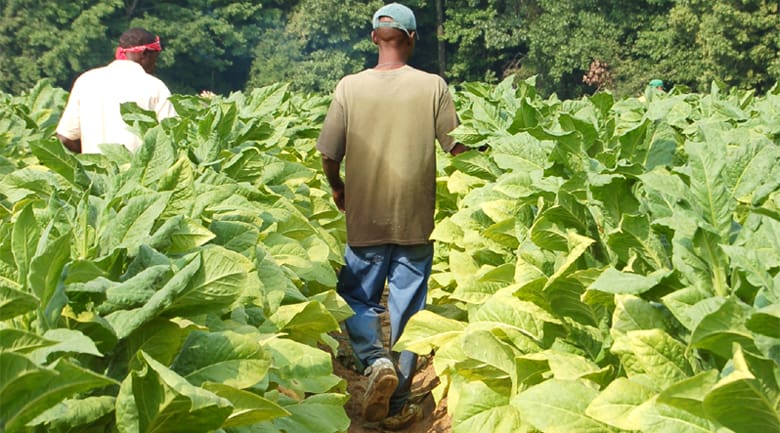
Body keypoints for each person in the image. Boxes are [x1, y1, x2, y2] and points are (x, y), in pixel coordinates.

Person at [316, 2, 470, 430]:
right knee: (408, 306)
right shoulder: (434, 86)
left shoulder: (350, 87)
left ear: (373, 38)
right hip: (415, 217)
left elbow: (329, 152)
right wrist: (493, 150)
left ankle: (373, 360)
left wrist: (338, 185)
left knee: (358, 294)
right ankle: (400, 394)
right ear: (412, 38)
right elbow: (455, 147)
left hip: (364, 215)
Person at [56, 28, 176, 154]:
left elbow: (64, 138)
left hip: (94, 171)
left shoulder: (86, 81)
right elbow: (171, 135)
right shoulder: (155, 86)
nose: (155, 64)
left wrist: (93, 153)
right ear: (144, 54)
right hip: (137, 172)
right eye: (155, 58)